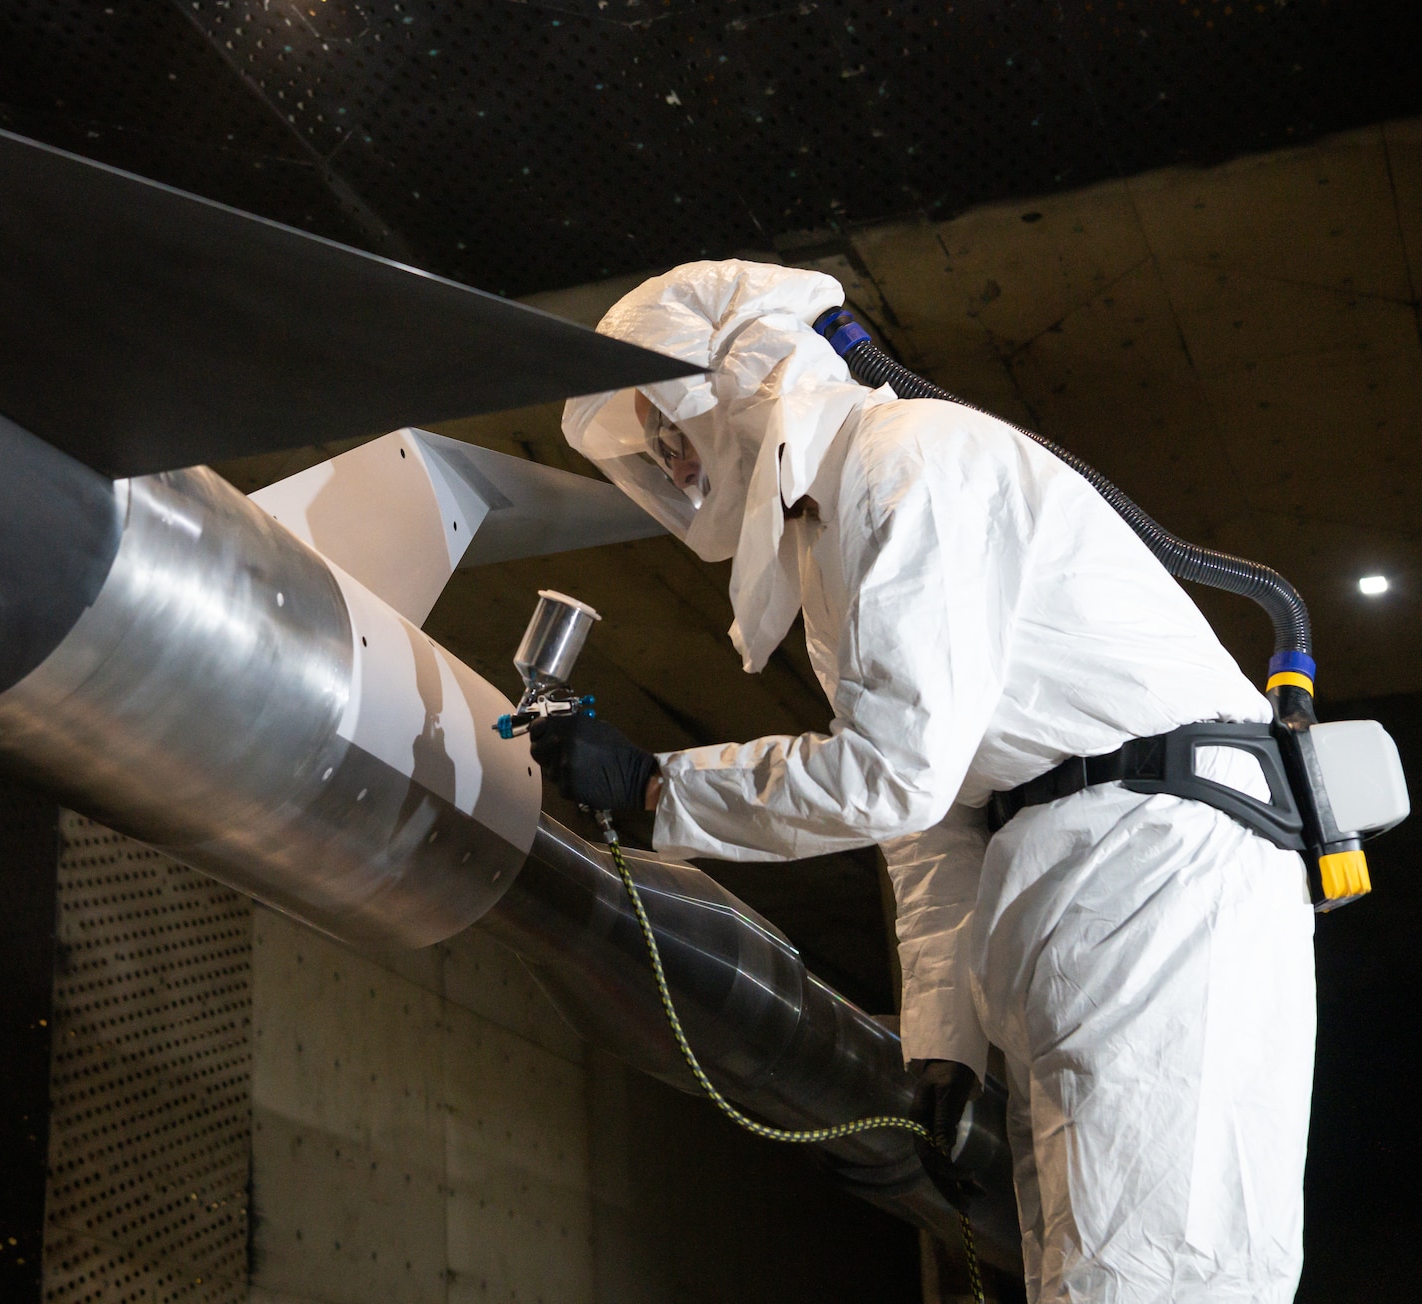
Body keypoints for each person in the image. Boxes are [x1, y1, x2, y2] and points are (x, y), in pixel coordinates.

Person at [534, 260, 1315, 1303]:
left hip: (1152, 865)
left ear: (734, 378)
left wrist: (653, 788)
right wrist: (941, 1043)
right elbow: (936, 821)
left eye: (667, 423)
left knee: (1148, 1269)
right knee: (1084, 1267)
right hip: (1073, 874)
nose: (669, 460)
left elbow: (888, 778)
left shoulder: (906, 464)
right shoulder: (831, 534)